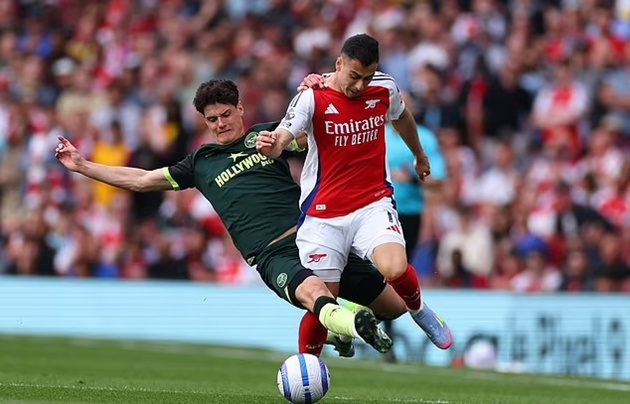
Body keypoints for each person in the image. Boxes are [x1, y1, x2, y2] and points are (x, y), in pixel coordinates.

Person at [54, 79, 408, 357]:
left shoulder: (268, 136)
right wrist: (83, 165)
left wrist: (322, 85)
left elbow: (319, 130)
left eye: (225, 114)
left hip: (316, 237)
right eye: (212, 119)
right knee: (313, 292)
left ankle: (337, 328)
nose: (220, 124)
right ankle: (352, 324)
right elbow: (142, 180)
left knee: (395, 307)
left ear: (240, 109)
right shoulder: (200, 163)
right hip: (273, 255)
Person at [256, 33, 452, 350]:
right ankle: (310, 365)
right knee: (322, 301)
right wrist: (271, 145)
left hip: (372, 203)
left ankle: (420, 311)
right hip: (323, 215)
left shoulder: (385, 88)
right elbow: (283, 136)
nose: (360, 85)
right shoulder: (312, 96)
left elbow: (401, 117)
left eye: (367, 77)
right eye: (354, 76)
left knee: (394, 267)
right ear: (339, 64)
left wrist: (419, 154)